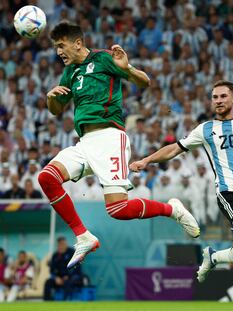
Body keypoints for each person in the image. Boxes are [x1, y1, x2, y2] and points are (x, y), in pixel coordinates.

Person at [38, 22, 200, 270]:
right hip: (84, 142)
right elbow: (56, 111)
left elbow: (144, 82)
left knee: (118, 209)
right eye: (56, 47)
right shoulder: (70, 72)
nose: (58, 51)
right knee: (47, 178)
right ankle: (83, 236)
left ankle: (172, 209)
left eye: (61, 46)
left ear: (77, 43)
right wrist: (52, 99)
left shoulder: (103, 59)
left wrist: (129, 69)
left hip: (110, 138)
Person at [130, 80, 233, 306]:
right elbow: (174, 148)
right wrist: (146, 160)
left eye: (223, 96)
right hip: (229, 191)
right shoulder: (205, 130)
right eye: (215, 97)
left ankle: (213, 256)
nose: (218, 101)